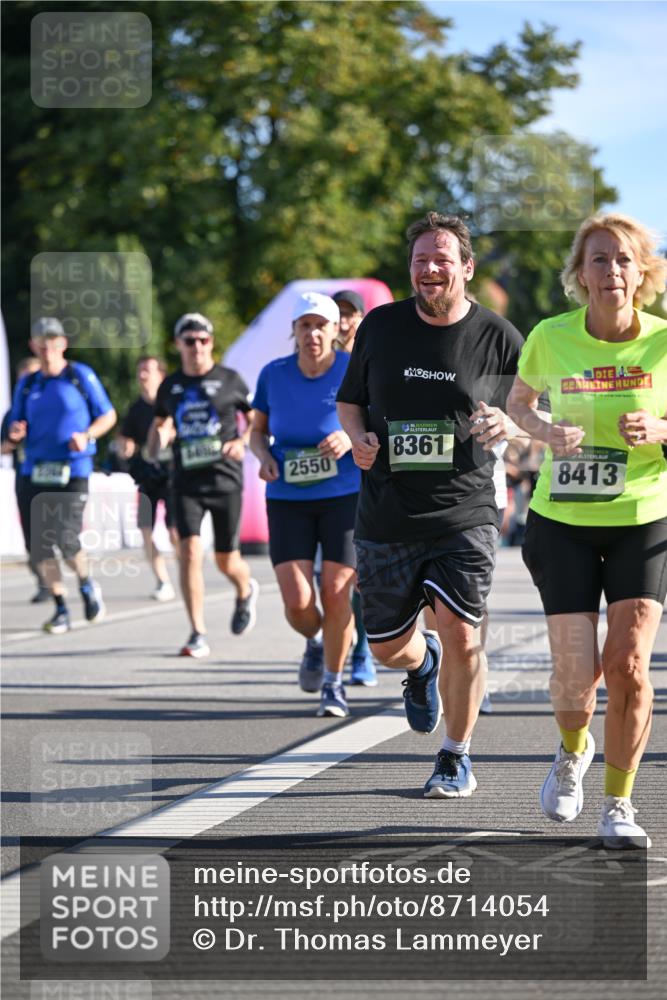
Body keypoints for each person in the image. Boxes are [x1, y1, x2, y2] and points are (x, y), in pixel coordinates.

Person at [337, 212, 523, 795]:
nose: (430, 269)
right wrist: (360, 437)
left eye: (442, 259)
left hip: (463, 510)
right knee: (387, 644)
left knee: (465, 634)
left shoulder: (499, 336)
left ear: (466, 267)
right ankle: (421, 665)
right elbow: (351, 402)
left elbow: (533, 411)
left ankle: (455, 754)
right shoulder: (380, 328)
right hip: (387, 511)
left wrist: (508, 422)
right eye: (421, 260)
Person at [507, 213, 667, 849]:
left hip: (642, 515)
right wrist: (545, 429)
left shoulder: (663, 342)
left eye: (624, 260)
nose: (612, 272)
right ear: (580, 274)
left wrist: (660, 431)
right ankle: (573, 749)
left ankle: (620, 803)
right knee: (576, 675)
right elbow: (518, 405)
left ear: (643, 273)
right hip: (565, 520)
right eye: (599, 260)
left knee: (626, 662)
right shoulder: (550, 336)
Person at [250, 292, 361, 717]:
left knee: (336, 594)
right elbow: (258, 431)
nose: (313, 334)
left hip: (344, 494)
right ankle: (315, 641)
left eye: (321, 325)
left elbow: (375, 420)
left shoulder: (354, 370)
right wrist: (262, 457)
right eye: (304, 326)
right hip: (287, 496)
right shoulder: (273, 375)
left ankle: (333, 684)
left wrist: (349, 436)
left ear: (336, 330)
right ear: (294, 332)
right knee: (298, 602)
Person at [149, 313, 259, 657]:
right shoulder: (170, 386)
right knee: (190, 552)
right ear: (178, 345)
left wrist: (242, 440)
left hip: (224, 479)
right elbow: (157, 434)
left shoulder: (230, 380)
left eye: (202, 340)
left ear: (210, 342)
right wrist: (159, 437)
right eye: (189, 340)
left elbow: (256, 418)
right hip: (185, 482)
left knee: (227, 560)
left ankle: (244, 589)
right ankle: (197, 631)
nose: (196, 346)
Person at [6, 317, 117, 632]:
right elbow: (12, 431)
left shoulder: (80, 376)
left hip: (73, 469)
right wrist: (14, 435)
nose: (47, 346)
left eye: (53, 340)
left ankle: (85, 584)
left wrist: (88, 436)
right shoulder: (27, 385)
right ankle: (60, 606)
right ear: (33, 345)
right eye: (41, 340)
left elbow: (108, 415)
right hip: (34, 471)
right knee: (39, 545)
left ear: (63, 344)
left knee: (66, 538)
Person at [117, 355, 178, 601]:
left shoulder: (172, 402)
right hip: (146, 478)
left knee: (175, 532)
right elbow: (125, 437)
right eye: (140, 371)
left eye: (147, 371)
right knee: (145, 530)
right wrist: (126, 446)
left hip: (173, 476)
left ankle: (187, 571)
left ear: (160, 375)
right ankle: (163, 581)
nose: (142, 375)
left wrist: (169, 433)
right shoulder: (135, 409)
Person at [2, 356, 50, 602]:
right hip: (26, 477)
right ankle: (44, 582)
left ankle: (58, 582)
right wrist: (13, 439)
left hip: (54, 478)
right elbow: (3, 448)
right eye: (24, 379)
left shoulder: (51, 407)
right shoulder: (13, 413)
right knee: (32, 537)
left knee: (54, 534)